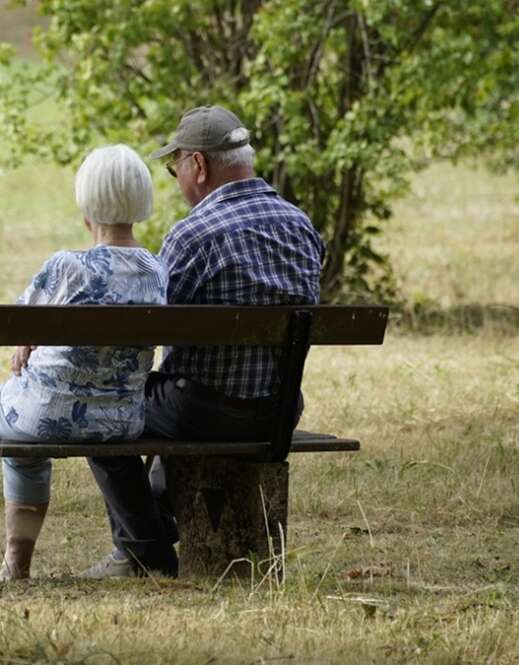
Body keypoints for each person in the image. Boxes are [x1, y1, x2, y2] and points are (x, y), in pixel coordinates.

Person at [81, 105, 325, 578]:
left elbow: (150, 329)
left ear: (198, 165)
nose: (177, 181)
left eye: (175, 170)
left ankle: (143, 552)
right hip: (277, 411)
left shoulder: (192, 235)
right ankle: (152, 531)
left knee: (100, 407)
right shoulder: (302, 227)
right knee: (173, 395)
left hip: (203, 411)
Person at [0, 144, 167, 583]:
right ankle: (15, 567)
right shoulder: (156, 270)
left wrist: (26, 341)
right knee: (21, 438)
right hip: (121, 421)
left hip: (43, 414)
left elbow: (18, 324)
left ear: (86, 203)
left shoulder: (67, 267)